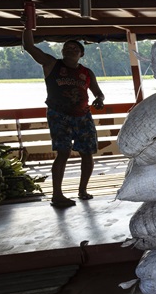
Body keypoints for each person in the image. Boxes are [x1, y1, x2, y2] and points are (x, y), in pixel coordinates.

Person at [22, 27, 104, 208]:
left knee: (87, 152)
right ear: (62, 51)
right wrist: (28, 27)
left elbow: (98, 92)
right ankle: (57, 194)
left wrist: (99, 99)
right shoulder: (52, 64)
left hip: (83, 116)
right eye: (67, 47)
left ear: (81, 54)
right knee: (63, 153)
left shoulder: (87, 72)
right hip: (59, 115)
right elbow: (29, 46)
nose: (70, 50)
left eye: (75, 48)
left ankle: (83, 190)